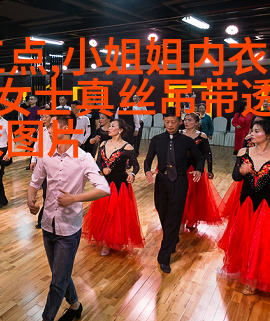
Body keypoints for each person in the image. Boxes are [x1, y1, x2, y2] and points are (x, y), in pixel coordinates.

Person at [27, 113, 110, 321]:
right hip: (48, 224)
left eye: (52, 126)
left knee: (57, 281)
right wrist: (30, 199)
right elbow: (35, 181)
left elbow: (104, 188)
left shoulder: (83, 158)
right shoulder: (46, 155)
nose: (48, 130)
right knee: (60, 275)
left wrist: (74, 198)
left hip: (69, 229)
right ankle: (75, 305)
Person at [218, 119, 270, 295]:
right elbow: (236, 177)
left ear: (269, 135)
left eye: (257, 131)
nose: (252, 134)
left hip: (269, 205)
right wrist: (241, 172)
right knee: (246, 241)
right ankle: (248, 276)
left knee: (263, 242)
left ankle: (257, 278)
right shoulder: (244, 152)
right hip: (247, 204)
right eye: (252, 130)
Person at [144, 108, 204, 273]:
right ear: (163, 121)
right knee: (163, 214)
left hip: (179, 181)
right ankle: (172, 238)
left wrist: (199, 170)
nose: (170, 125)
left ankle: (164, 257)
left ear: (180, 122)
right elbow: (148, 159)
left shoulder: (187, 141)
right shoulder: (157, 140)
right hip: (161, 181)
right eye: (167, 122)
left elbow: (199, 159)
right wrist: (147, 170)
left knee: (173, 217)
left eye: (173, 122)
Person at [82, 118, 144, 256]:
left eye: (112, 126)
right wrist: (102, 170)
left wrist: (132, 174)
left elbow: (136, 165)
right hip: (105, 184)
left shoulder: (127, 147)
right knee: (102, 213)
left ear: (120, 130)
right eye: (109, 126)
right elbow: (98, 163)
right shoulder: (103, 144)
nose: (109, 128)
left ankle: (109, 242)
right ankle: (104, 238)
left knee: (115, 214)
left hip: (119, 185)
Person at [180, 113, 223, 229]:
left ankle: (192, 219)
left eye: (189, 120)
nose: (186, 122)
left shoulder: (201, 136)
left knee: (193, 197)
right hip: (182, 169)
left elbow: (207, 153)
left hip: (195, 170)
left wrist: (210, 170)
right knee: (181, 196)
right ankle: (181, 222)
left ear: (196, 123)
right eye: (185, 120)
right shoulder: (179, 134)